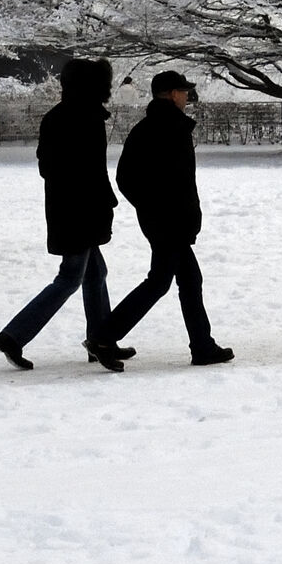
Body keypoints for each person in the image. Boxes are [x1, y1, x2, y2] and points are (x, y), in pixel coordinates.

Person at [0, 58, 129, 372]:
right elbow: (91, 171)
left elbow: (48, 166)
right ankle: (13, 336)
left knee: (95, 273)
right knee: (70, 277)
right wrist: (101, 200)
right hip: (81, 213)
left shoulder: (58, 116)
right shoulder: (86, 118)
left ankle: (101, 339)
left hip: (67, 210)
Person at [98, 71, 232, 367]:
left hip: (166, 220)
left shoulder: (150, 127)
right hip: (170, 222)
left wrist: (150, 207)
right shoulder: (169, 128)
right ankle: (104, 336)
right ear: (172, 94)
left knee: (188, 279)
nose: (186, 96)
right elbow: (160, 181)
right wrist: (158, 208)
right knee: (160, 282)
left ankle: (202, 345)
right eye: (183, 91)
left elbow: (128, 177)